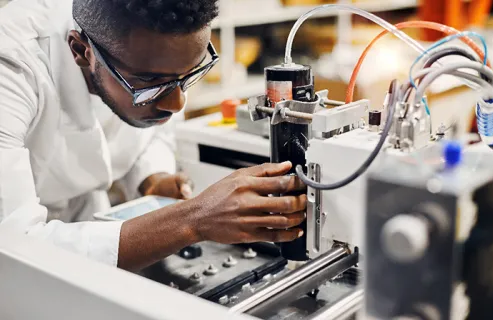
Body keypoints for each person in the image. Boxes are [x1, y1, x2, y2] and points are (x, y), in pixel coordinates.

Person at [0, 0, 306, 272]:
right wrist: (192, 220)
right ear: (81, 51)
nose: (177, 103)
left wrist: (153, 177)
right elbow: (14, 247)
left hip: (87, 225)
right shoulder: (12, 66)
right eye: (150, 83)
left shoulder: (155, 56)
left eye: (188, 75)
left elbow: (154, 130)